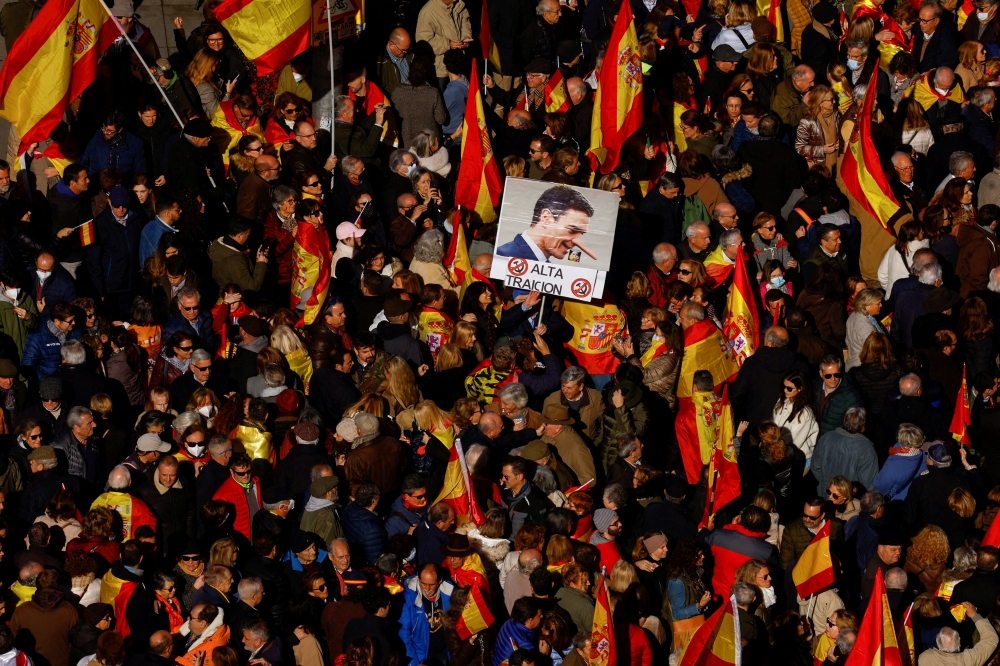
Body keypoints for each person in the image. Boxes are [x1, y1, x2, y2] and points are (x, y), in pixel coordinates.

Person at [496, 185, 596, 262]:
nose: (578, 242)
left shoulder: (548, 264)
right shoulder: (504, 256)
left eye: (581, 234)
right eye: (572, 230)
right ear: (546, 218)